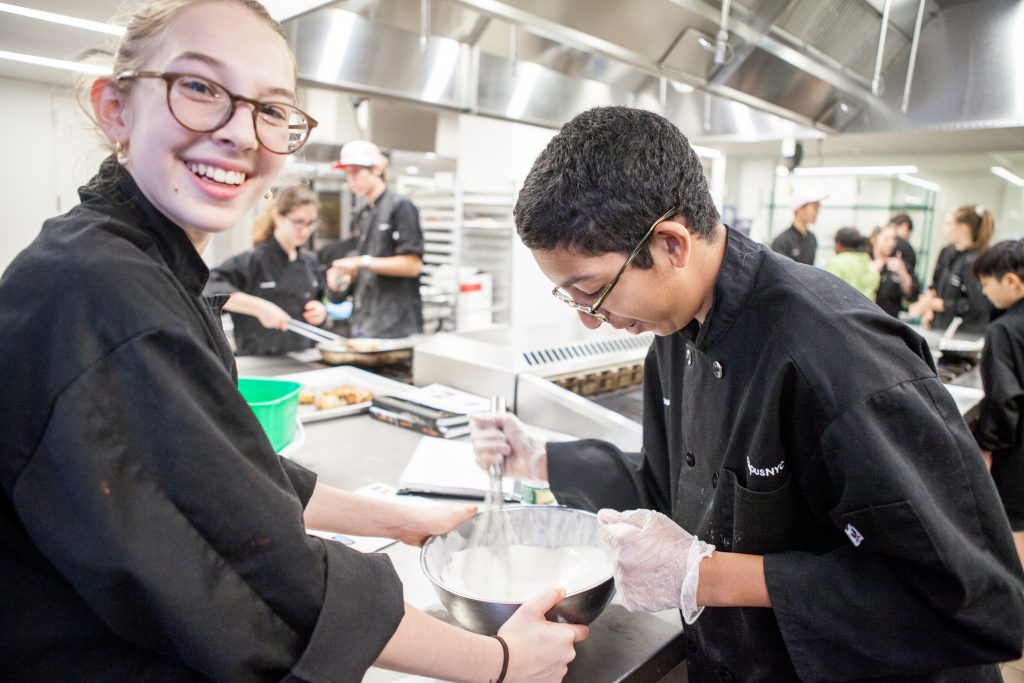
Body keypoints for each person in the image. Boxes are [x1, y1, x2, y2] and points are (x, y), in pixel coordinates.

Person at [0, 2, 585, 681]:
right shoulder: (103, 294)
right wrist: (503, 660)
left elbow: (226, 475)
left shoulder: (139, 263)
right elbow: (264, 574)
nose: (240, 133)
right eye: (200, 88)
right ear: (114, 107)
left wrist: (400, 520)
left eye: (272, 110)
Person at [469, 106, 1024, 681]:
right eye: (573, 301)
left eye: (592, 291)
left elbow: (976, 605)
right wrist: (539, 458)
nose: (591, 320)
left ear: (670, 245)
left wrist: (704, 576)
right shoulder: (676, 333)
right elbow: (674, 490)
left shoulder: (834, 356)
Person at [205, 185, 328, 355]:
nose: (306, 230)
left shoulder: (310, 262)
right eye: (298, 222)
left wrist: (319, 312)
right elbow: (207, 286)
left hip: (303, 357)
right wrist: (259, 308)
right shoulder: (252, 261)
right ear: (278, 217)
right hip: (259, 361)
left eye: (311, 223)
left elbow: (320, 301)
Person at [326, 140, 425, 338]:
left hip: (396, 325)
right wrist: (345, 276)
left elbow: (413, 265)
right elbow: (367, 264)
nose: (351, 179)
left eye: (356, 171)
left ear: (377, 169)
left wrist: (361, 261)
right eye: (347, 173)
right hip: (366, 320)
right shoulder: (364, 213)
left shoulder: (401, 206)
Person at [973, 239, 1024, 570]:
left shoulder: (1004, 329)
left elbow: (1004, 398)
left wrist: (988, 445)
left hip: (1018, 452)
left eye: (986, 284)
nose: (984, 292)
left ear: (1011, 281)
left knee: (1015, 529)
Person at [909, 204, 995, 334]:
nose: (944, 229)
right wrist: (929, 310)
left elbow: (979, 305)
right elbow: (935, 285)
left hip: (965, 333)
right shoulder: (947, 252)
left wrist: (937, 304)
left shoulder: (977, 261)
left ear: (964, 228)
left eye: (948, 224)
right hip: (939, 328)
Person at [870, 223, 918, 318]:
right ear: (874, 239)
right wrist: (871, 271)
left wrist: (902, 272)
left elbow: (911, 293)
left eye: (894, 239)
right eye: (886, 239)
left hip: (889, 319)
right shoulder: (864, 260)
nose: (891, 243)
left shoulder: (899, 264)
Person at [770, 187, 826, 265]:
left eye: (818, 207)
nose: (817, 212)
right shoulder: (782, 241)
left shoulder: (812, 238)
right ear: (799, 209)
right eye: (815, 207)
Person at [823, 227, 878, 300]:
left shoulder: (836, 262)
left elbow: (830, 291)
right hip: (869, 309)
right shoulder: (867, 260)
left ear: (838, 244)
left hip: (844, 309)